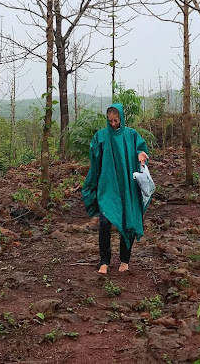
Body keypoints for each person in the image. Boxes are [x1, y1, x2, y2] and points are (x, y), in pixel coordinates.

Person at [82, 103, 149, 274]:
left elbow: (140, 150)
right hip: (108, 187)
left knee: (129, 222)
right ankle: (104, 261)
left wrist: (141, 154)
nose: (113, 124)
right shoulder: (101, 136)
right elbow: (95, 161)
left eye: (116, 120)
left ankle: (125, 260)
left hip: (127, 187)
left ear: (122, 119)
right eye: (110, 121)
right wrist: (93, 184)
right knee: (105, 222)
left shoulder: (131, 135)